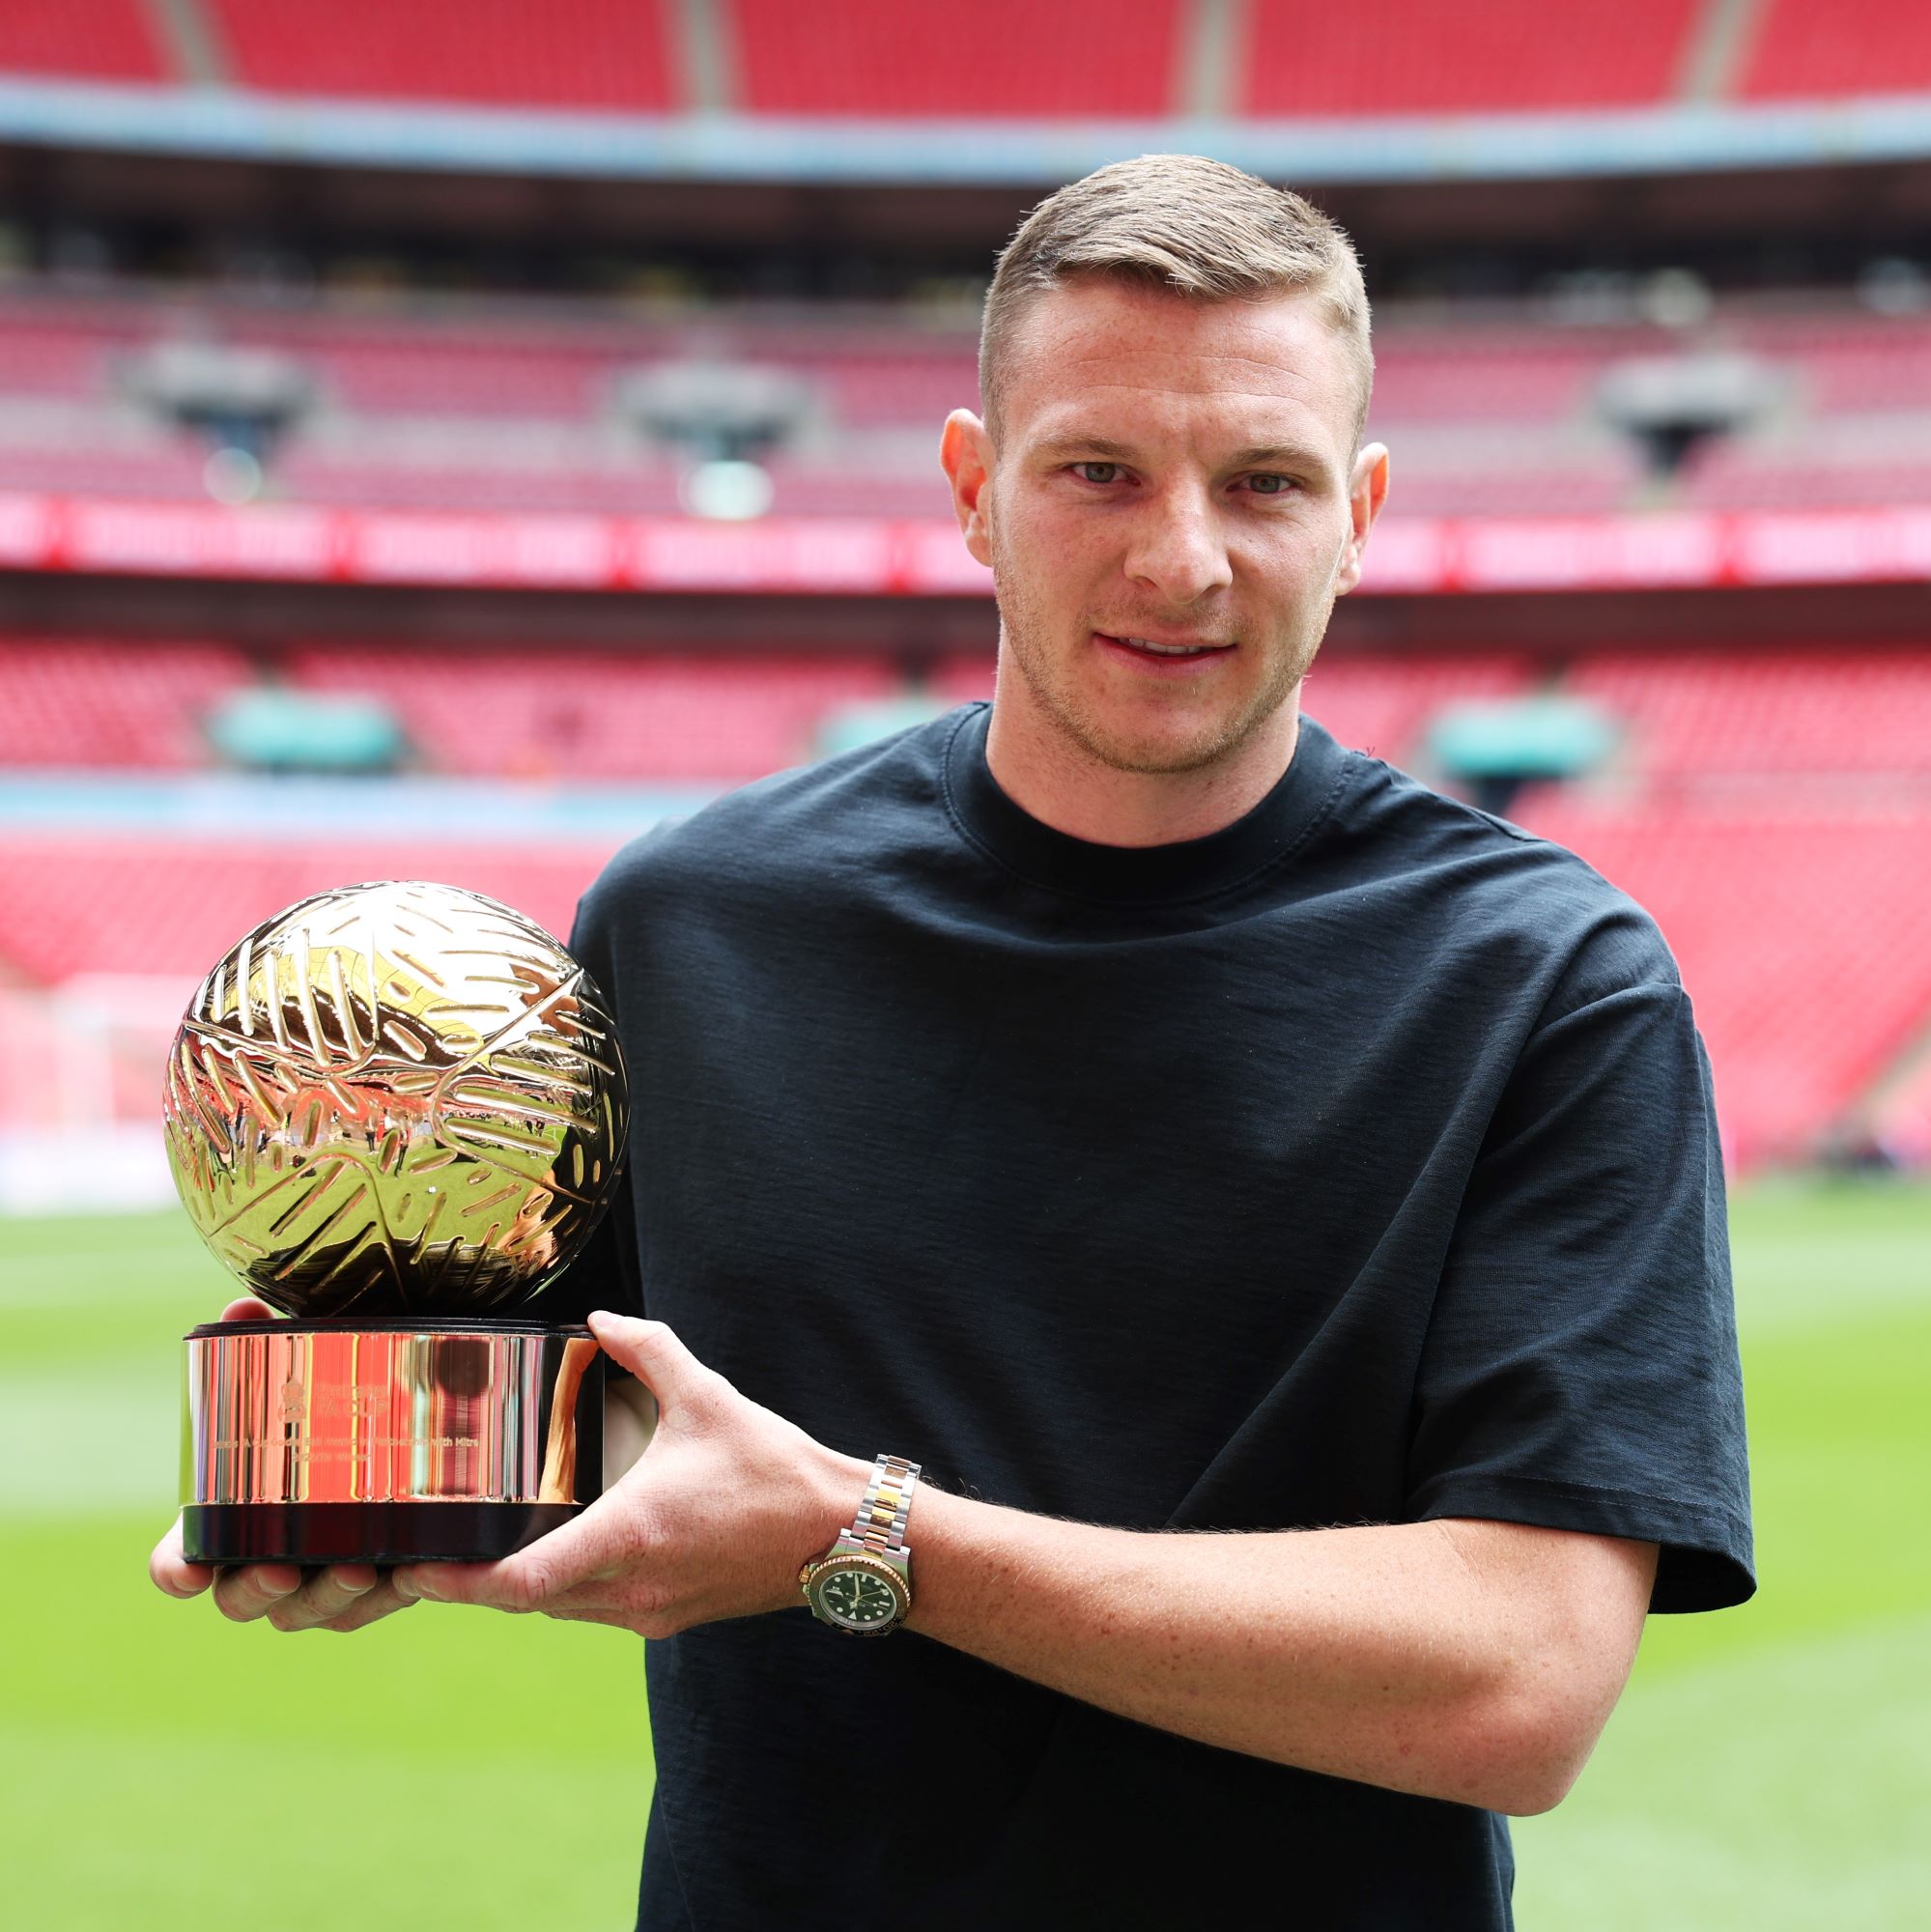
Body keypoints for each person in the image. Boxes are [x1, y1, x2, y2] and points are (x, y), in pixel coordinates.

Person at [153, 156, 1752, 1928]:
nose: (1185, 556)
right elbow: (594, 1419)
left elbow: (1519, 1684)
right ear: (975, 490)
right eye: (1098, 471)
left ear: (1361, 511)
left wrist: (866, 1539)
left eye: (1268, 481)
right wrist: (346, 1450)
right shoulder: (692, 926)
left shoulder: (1550, 978)